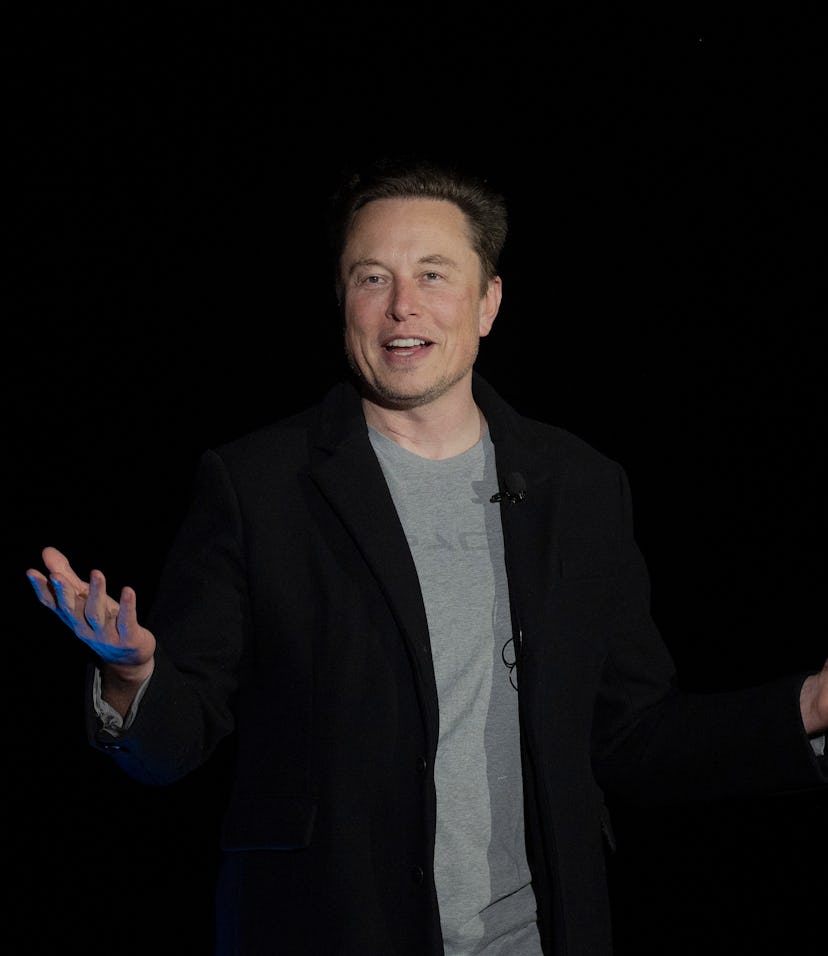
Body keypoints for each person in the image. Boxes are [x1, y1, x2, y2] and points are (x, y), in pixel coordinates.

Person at [26, 156, 828, 956]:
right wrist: (132, 680)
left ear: (488, 302)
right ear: (343, 301)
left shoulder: (580, 488)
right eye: (371, 277)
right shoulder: (257, 486)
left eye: (434, 275)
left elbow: (634, 736)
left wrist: (809, 708)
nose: (402, 306)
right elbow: (175, 740)